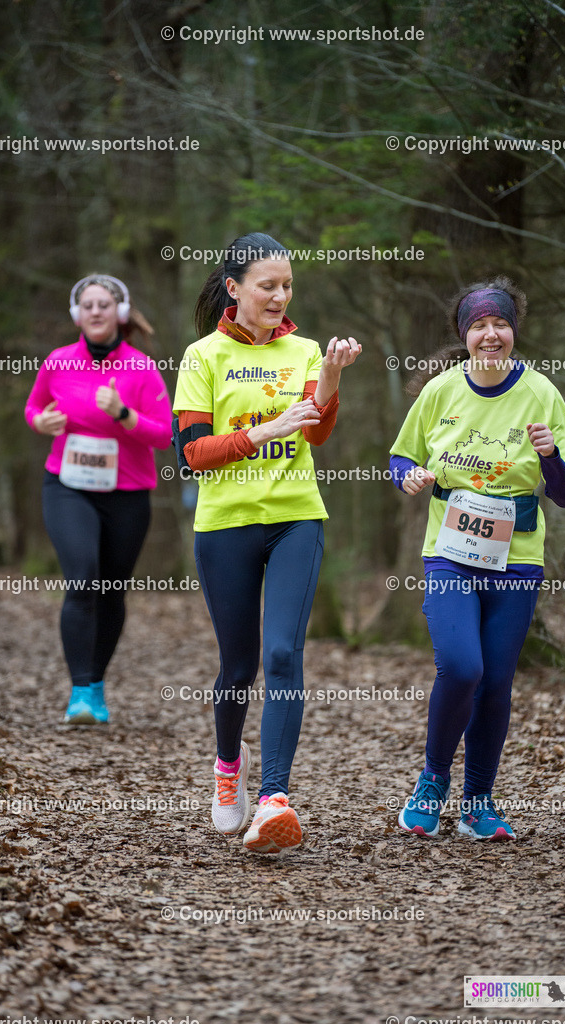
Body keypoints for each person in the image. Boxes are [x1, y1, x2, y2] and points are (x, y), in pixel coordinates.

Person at [173, 232, 360, 853]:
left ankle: (274, 799)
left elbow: (319, 432)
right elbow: (194, 455)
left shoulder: (306, 350)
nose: (280, 296)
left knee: (283, 655)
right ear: (234, 288)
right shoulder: (202, 358)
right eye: (268, 285)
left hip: (294, 520)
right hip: (224, 527)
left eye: (287, 286)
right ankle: (229, 769)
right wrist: (263, 431)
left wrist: (329, 376)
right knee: (238, 665)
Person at [389, 276, 565, 840]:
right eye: (479, 326)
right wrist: (411, 478)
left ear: (514, 332)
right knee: (462, 666)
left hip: (517, 558)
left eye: (499, 324)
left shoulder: (542, 393)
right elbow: (401, 458)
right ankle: (432, 782)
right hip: (449, 552)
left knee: (497, 680)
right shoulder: (442, 390)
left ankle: (478, 800)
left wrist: (549, 458)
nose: (490, 334)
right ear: (465, 335)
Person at [25, 274, 172, 724]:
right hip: (67, 486)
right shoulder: (58, 361)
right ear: (77, 315)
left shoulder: (142, 368)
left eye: (103, 304)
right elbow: (33, 408)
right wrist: (41, 423)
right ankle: (79, 693)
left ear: (119, 313)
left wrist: (124, 415)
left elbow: (165, 434)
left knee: (111, 590)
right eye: (87, 304)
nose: (94, 311)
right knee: (84, 579)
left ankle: (95, 686)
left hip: (127, 493)